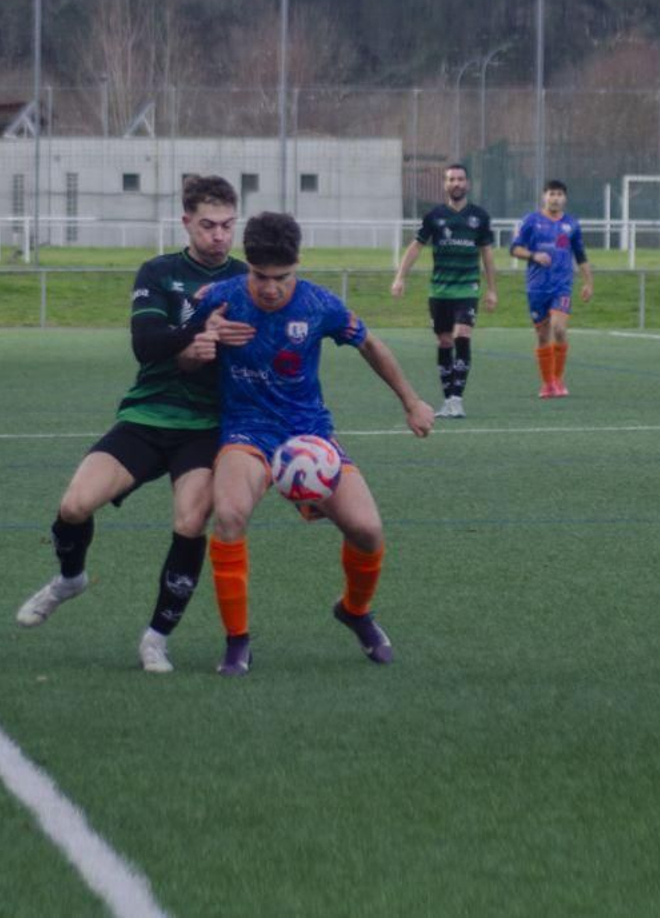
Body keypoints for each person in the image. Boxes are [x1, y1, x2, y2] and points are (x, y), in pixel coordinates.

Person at [15, 176, 250, 673]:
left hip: (208, 427)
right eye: (208, 225)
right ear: (186, 221)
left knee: (190, 522)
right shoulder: (160, 272)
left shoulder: (248, 280)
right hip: (147, 414)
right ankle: (70, 578)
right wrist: (196, 332)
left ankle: (156, 638)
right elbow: (146, 342)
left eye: (228, 225)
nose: (219, 236)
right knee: (75, 505)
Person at [194, 211, 435, 677]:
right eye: (260, 276)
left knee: (368, 531)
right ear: (247, 266)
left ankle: (355, 611)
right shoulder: (218, 300)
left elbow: (370, 345)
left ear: (298, 265)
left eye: (280, 278)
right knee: (228, 516)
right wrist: (201, 335)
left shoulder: (318, 304)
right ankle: (237, 641)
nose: (269, 288)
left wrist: (411, 401)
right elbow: (173, 343)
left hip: (311, 435)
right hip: (247, 430)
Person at [390, 163, 497, 418]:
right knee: (445, 341)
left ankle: (457, 399)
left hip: (467, 288)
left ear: (467, 183)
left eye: (460, 179)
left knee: (462, 335)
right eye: (451, 179)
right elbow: (416, 247)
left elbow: (487, 254)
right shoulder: (434, 216)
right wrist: (400, 277)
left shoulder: (479, 217)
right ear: (445, 184)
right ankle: (448, 399)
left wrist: (492, 289)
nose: (456, 183)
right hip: (440, 291)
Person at [509, 180, 594, 399]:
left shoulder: (571, 225)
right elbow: (515, 249)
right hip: (537, 288)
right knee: (542, 336)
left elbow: (581, 256)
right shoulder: (531, 221)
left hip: (561, 286)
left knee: (559, 329)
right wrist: (533, 255)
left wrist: (588, 282)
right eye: (551, 194)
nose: (555, 198)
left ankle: (558, 379)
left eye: (559, 194)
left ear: (564, 198)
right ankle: (547, 384)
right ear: (544, 196)